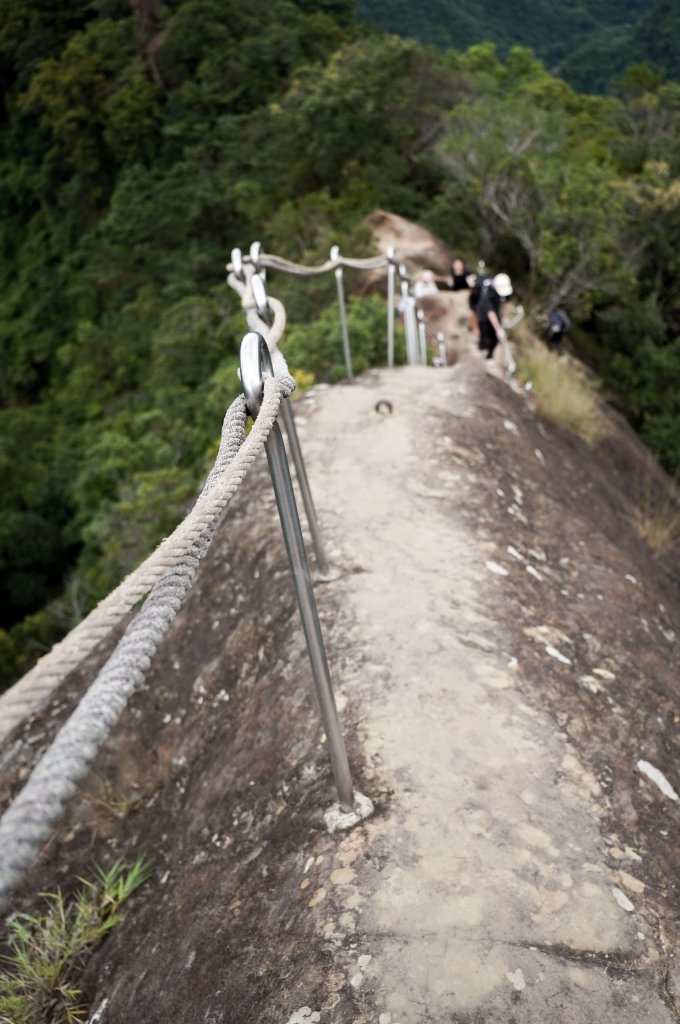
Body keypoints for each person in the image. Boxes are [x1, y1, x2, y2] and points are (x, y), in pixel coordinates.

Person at [476, 272, 513, 362]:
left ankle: (490, 355)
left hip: (496, 312)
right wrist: (498, 329)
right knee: (485, 335)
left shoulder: (505, 290)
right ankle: (481, 348)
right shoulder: (487, 294)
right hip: (483, 315)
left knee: (495, 339)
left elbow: (506, 303)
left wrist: (506, 317)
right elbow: (490, 313)